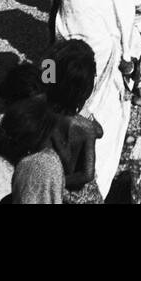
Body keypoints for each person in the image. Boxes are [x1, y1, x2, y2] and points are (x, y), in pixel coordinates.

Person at [49, 0, 135, 199]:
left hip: (83, 64)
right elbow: (89, 42)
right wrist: (121, 58)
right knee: (96, 132)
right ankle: (96, 182)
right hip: (89, 73)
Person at [43, 38, 104, 194]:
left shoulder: (39, 112)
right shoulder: (84, 127)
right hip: (71, 190)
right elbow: (87, 174)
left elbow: (46, 69)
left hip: (44, 182)